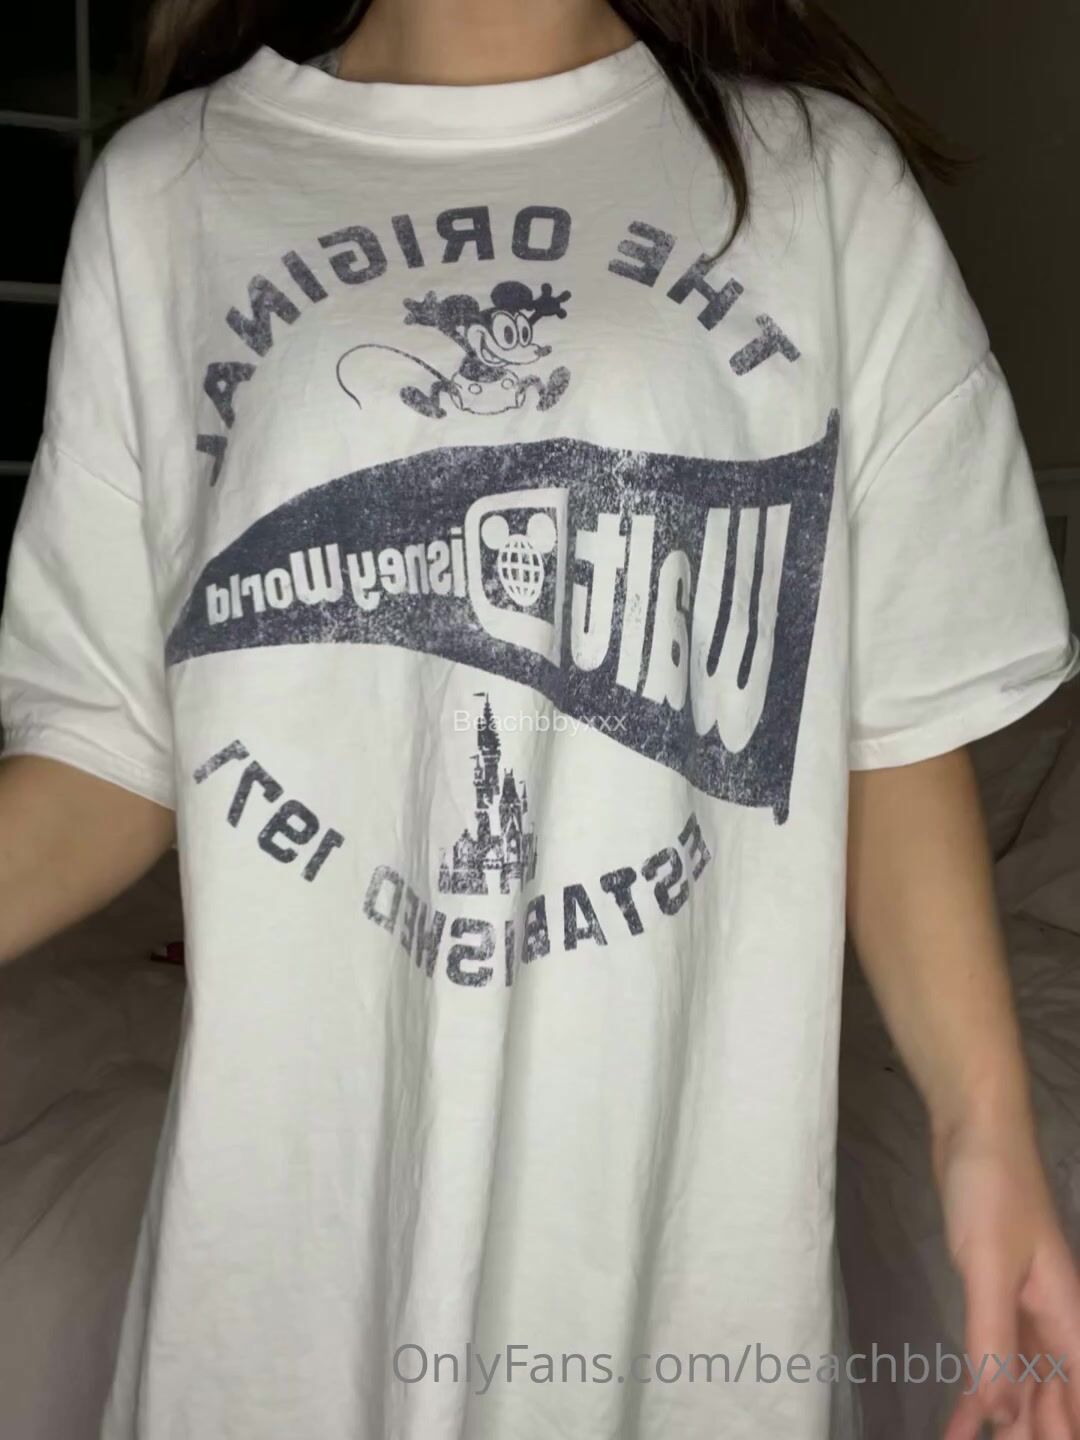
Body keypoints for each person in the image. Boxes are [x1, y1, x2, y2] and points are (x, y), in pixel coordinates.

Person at [1, 0, 1078, 1436]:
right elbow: (110, 746)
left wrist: (984, 1124)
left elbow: (887, 724)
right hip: (285, 1258)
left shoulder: (821, 186)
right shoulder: (168, 192)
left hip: (675, 1256)